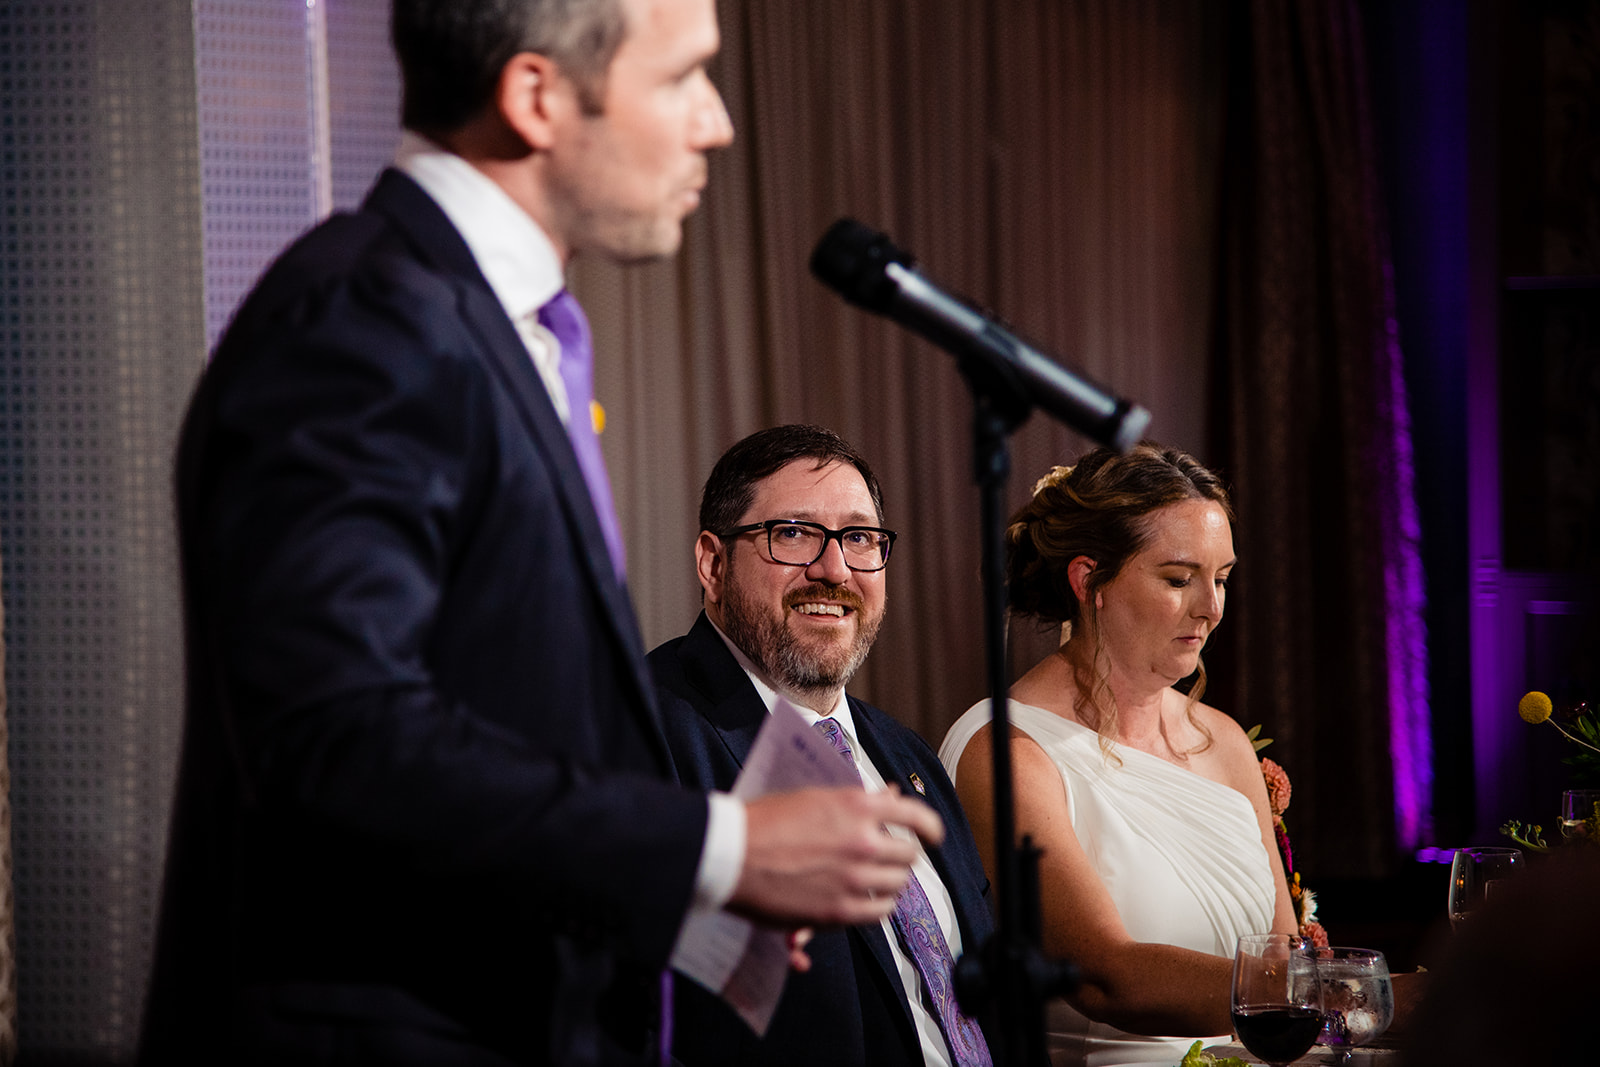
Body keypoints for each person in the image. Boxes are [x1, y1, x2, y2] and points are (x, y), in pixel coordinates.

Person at [139, 3, 943, 1064]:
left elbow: (503, 724)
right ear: (535, 97)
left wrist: (688, 905)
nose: (718, 124)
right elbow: (333, 739)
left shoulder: (487, 325)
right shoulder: (361, 320)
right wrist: (717, 842)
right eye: (683, 79)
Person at [650, 425, 996, 1067]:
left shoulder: (908, 755)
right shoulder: (648, 730)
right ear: (713, 563)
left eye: (859, 538)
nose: (833, 569)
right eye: (794, 534)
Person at [939, 444, 1295, 1067]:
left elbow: (1286, 966)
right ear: (1089, 581)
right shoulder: (1009, 752)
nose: (1211, 609)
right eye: (1179, 579)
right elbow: (1106, 976)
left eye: (1222, 579)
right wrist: (1363, 995)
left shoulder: (1226, 742)